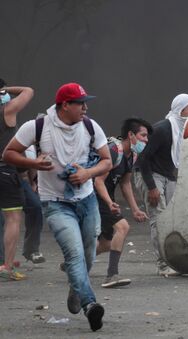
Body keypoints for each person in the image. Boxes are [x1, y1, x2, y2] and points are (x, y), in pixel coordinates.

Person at [3, 83, 112, 332]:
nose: (85, 108)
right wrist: (33, 162)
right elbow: (8, 154)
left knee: (88, 255)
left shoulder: (91, 127)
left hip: (87, 201)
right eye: (80, 103)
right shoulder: (38, 127)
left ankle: (77, 289)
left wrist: (87, 173)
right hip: (56, 204)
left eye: (86, 102)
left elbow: (106, 161)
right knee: (74, 255)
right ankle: (90, 305)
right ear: (65, 105)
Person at [134, 93, 188, 277]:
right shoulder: (163, 129)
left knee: (174, 218)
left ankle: (175, 261)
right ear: (179, 110)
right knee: (159, 218)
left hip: (167, 175)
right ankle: (163, 264)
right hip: (149, 174)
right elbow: (144, 158)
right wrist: (152, 188)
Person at [94, 118, 151, 288]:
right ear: (130, 135)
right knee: (123, 227)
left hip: (106, 198)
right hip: (95, 196)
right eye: (143, 136)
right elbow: (98, 181)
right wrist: (109, 202)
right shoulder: (113, 151)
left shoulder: (132, 155)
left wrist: (135, 209)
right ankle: (111, 275)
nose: (146, 140)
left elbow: (125, 183)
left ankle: (74, 263)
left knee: (105, 243)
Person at [0, 79, 34, 280]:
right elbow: (28, 90)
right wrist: (5, 90)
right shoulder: (6, 111)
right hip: (4, 171)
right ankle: (7, 267)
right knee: (13, 218)